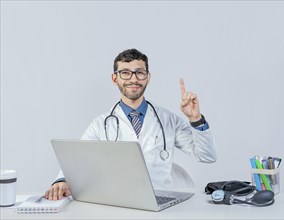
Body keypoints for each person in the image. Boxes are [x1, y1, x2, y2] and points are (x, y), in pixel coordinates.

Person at [45, 48, 217, 200]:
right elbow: (76, 159)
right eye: (125, 73)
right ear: (115, 79)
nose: (133, 79)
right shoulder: (101, 124)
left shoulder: (168, 119)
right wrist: (61, 180)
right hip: (119, 202)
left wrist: (196, 119)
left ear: (148, 77)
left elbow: (207, 156)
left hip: (161, 200)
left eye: (139, 72)